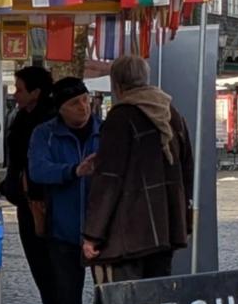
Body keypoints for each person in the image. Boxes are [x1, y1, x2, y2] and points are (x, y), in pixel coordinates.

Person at [80, 53, 195, 282]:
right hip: (165, 226)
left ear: (117, 83)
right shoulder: (171, 113)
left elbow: (108, 180)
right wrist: (182, 216)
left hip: (128, 232)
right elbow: (187, 168)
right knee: (155, 302)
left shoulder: (122, 117)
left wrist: (93, 234)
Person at [28, 76, 100, 304]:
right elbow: (37, 170)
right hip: (63, 231)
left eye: (85, 99)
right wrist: (73, 171)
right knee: (67, 301)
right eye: (74, 103)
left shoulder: (106, 130)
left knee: (111, 298)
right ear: (60, 109)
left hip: (103, 231)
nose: (83, 107)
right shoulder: (45, 134)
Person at [0, 65, 58, 304]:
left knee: (50, 277)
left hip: (41, 208)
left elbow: (33, 166)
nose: (14, 93)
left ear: (35, 92)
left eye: (19, 88)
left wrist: (21, 189)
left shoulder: (45, 121)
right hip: (26, 204)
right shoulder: (23, 117)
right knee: (45, 277)